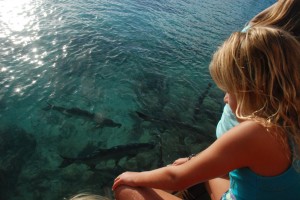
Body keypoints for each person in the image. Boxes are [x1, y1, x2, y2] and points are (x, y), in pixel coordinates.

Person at [112, 26, 300, 199]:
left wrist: (133, 176)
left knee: (125, 189)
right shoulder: (290, 121)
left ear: (250, 91)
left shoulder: (255, 132)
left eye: (229, 90)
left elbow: (176, 179)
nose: (225, 99)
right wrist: (193, 162)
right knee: (197, 169)